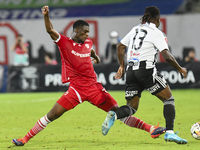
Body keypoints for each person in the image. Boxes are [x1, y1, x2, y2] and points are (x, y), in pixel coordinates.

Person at [12, 6, 166, 146]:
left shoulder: (88, 43)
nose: (87, 34)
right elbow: (50, 30)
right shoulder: (64, 43)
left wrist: (96, 57)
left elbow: (90, 50)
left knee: (117, 113)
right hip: (76, 90)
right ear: (76, 31)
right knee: (52, 114)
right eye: (84, 31)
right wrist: (46, 16)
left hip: (94, 89)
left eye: (88, 32)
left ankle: (151, 129)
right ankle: (25, 138)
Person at [102, 6, 188, 144]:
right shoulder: (156, 32)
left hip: (130, 71)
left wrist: (122, 66)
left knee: (131, 107)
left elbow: (120, 47)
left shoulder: (136, 29)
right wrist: (179, 68)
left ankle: (115, 114)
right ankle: (170, 133)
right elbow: (166, 54)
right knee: (168, 99)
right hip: (146, 70)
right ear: (158, 20)